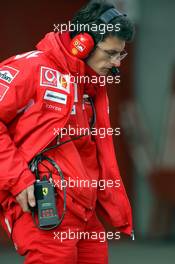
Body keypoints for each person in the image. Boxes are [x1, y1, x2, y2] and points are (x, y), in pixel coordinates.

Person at [0, 1, 135, 263]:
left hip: (85, 213)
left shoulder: (91, 87)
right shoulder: (31, 69)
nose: (116, 63)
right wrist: (19, 180)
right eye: (110, 53)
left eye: (121, 54)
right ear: (81, 44)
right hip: (44, 207)